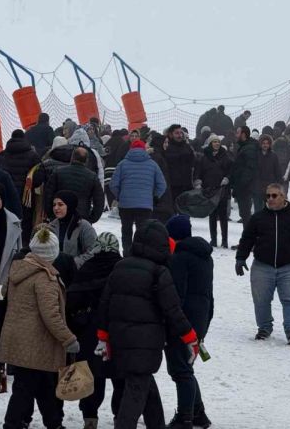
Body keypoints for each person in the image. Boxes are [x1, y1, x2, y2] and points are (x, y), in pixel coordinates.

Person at [95, 220, 198, 429]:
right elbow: (173, 310)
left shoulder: (120, 266)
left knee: (143, 383)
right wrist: (190, 336)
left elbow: (104, 304)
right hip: (146, 342)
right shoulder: (159, 272)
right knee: (135, 392)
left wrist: (103, 335)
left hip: (120, 338)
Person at [0, 227, 78, 429]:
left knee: (42, 385)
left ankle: (54, 423)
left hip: (21, 340)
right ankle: (12, 425)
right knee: (26, 389)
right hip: (37, 343)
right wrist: (68, 339)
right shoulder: (45, 279)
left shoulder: (19, 270)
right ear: (53, 253)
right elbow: (51, 315)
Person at [235, 183, 290, 343]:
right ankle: (264, 328)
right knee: (261, 299)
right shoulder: (258, 217)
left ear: (284, 196)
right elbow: (247, 239)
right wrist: (241, 258)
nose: (270, 199)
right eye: (268, 196)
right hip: (262, 266)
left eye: (274, 195)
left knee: (289, 299)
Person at [66, 232, 124, 429]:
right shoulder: (123, 269)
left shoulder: (87, 269)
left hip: (89, 333)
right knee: (120, 377)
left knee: (93, 376)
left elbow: (71, 301)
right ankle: (120, 416)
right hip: (118, 333)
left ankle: (90, 418)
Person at [164, 215, 214, 429]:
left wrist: (172, 321)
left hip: (183, 321)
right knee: (186, 368)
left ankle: (185, 417)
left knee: (180, 370)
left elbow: (177, 295)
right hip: (200, 318)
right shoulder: (205, 256)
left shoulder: (180, 258)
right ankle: (198, 413)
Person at [110, 139, 167, 255]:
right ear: (144, 149)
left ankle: (127, 253)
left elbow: (113, 184)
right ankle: (140, 254)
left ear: (131, 149)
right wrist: (155, 197)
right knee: (142, 231)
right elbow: (162, 184)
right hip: (145, 205)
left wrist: (119, 196)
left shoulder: (122, 164)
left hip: (125, 205)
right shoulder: (152, 164)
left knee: (126, 230)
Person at [0, 129, 43, 247]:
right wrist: (32, 186)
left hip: (7, 195)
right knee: (26, 220)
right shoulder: (33, 155)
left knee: (8, 219)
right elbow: (40, 175)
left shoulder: (3, 155)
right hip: (26, 196)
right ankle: (24, 245)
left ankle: (8, 245)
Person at [44, 147, 104, 224]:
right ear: (86, 160)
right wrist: (92, 218)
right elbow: (99, 200)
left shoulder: (58, 172)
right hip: (82, 216)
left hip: (59, 214)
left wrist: (51, 214)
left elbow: (48, 194)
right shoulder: (92, 177)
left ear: (72, 157)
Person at [195, 134, 232, 248]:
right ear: (210, 143)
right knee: (212, 215)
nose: (216, 144)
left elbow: (231, 170)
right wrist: (199, 181)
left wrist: (227, 178)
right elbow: (199, 171)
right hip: (209, 190)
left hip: (222, 190)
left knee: (223, 216)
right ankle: (214, 239)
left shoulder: (225, 156)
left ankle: (224, 240)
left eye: (218, 142)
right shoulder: (204, 157)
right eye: (214, 142)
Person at [48, 190, 97, 269]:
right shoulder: (51, 226)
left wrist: (72, 263)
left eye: (60, 204)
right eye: (54, 205)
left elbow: (93, 252)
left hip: (77, 272)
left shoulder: (84, 226)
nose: (56, 208)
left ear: (69, 205)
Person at [230, 125, 259, 231]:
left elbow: (249, 169)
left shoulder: (249, 148)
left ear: (243, 134)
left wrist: (241, 184)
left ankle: (248, 242)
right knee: (245, 214)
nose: (236, 135)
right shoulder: (244, 147)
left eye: (237, 133)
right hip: (244, 187)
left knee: (246, 215)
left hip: (245, 188)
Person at [163, 124, 196, 206]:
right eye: (177, 133)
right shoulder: (167, 147)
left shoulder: (187, 147)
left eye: (181, 133)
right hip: (172, 186)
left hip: (186, 185)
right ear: (171, 134)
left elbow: (194, 162)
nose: (180, 135)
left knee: (185, 211)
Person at [147, 133, 175, 224]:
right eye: (165, 142)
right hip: (160, 197)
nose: (167, 145)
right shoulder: (157, 157)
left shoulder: (160, 155)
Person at [253, 134, 282, 212]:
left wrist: (278, 184)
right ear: (260, 144)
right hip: (257, 186)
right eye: (263, 143)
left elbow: (277, 171)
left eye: (267, 143)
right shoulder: (255, 155)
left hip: (269, 186)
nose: (265, 145)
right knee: (257, 209)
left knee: (269, 209)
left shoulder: (273, 156)